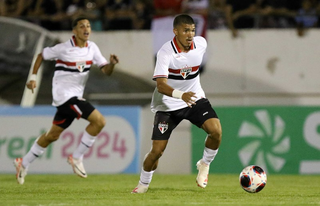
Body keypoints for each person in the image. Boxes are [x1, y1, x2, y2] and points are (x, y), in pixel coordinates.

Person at [13, 16, 119, 185]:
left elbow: (106, 70)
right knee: (99, 121)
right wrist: (33, 77)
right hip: (65, 97)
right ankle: (77, 157)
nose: (86, 29)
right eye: (82, 26)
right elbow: (40, 55)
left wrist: (112, 64)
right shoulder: (62, 49)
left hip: (74, 98)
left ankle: (23, 163)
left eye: (88, 26)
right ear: (74, 31)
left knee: (52, 135)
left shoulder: (92, 48)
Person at [132, 14, 222, 193]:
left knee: (216, 131)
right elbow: (161, 85)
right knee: (157, 151)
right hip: (168, 106)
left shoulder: (201, 44)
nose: (190, 34)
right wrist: (181, 95)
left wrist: (187, 96)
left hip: (194, 98)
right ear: (175, 31)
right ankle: (143, 183)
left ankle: (204, 164)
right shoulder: (165, 53)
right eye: (186, 30)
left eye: (192, 30)